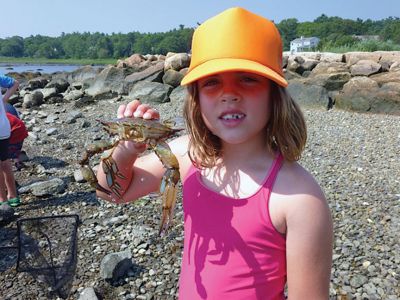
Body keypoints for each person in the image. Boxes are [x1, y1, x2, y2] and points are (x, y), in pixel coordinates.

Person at [96, 7, 333, 299]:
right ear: (196, 99)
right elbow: (111, 191)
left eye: (247, 78)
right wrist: (127, 148)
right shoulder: (186, 155)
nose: (228, 93)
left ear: (275, 94)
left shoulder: (300, 198)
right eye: (212, 82)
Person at [0, 74, 21, 207]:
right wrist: (4, 99)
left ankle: (2, 199)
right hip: (3, 128)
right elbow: (15, 83)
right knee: (5, 162)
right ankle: (12, 196)